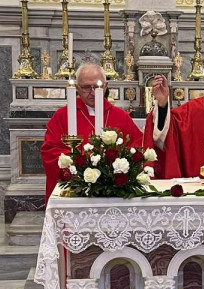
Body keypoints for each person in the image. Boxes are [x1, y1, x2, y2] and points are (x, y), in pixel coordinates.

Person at [40, 63, 144, 201]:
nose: (93, 92)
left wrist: (117, 166)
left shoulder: (120, 117)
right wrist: (81, 164)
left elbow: (137, 147)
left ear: (105, 86)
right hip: (75, 193)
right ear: (77, 88)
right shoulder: (62, 116)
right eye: (86, 87)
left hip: (113, 195)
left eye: (97, 86)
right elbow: (49, 152)